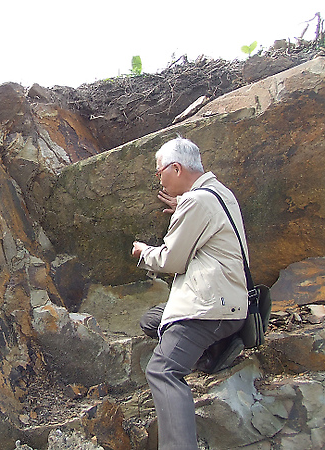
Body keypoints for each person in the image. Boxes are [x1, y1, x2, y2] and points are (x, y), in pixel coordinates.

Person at [131, 137, 247, 450]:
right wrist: (183, 206)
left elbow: (172, 260)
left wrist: (143, 252)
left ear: (177, 168)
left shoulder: (196, 202)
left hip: (210, 310)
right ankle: (216, 351)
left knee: (163, 371)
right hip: (231, 306)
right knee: (152, 320)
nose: (159, 179)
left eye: (159, 173)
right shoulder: (218, 193)